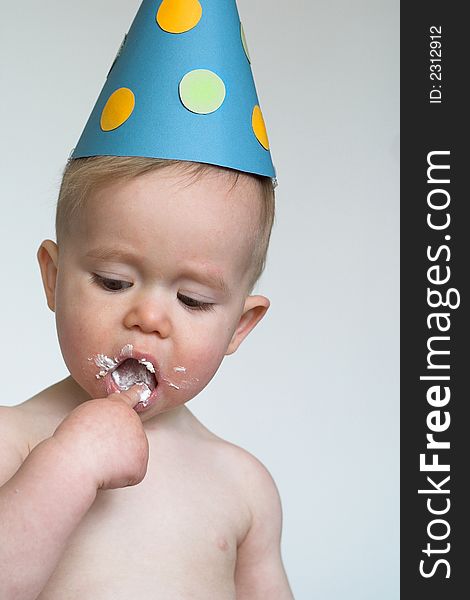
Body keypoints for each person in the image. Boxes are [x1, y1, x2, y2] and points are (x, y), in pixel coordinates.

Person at [0, 0, 293, 598]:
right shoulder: (14, 441)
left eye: (193, 299)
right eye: (112, 281)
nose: (149, 317)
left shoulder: (244, 488)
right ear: (54, 278)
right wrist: (67, 466)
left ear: (240, 325)